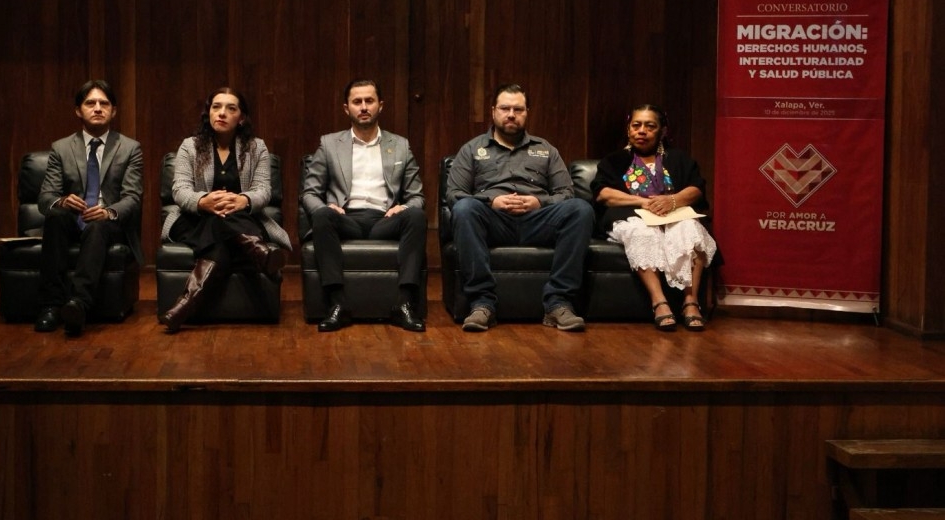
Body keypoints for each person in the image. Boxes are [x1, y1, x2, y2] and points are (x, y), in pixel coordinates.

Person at [446, 83, 594, 332]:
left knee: (580, 209)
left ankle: (558, 303)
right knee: (464, 208)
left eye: (518, 109)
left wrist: (540, 202)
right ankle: (482, 303)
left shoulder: (545, 149)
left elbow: (566, 193)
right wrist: (491, 201)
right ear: (493, 111)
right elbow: (454, 194)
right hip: (494, 222)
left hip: (538, 221)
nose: (511, 114)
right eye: (505, 108)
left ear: (527, 113)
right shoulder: (472, 149)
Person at [159, 87, 291, 333]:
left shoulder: (256, 147)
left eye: (231, 108)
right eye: (216, 107)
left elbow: (264, 190)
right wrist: (203, 202)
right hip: (194, 219)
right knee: (219, 223)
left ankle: (183, 306)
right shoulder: (190, 146)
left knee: (221, 235)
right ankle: (259, 253)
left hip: (241, 217)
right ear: (208, 113)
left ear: (241, 118)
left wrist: (243, 201)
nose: (222, 113)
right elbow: (179, 190)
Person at [300, 79, 428, 332]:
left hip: (384, 219)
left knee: (416, 216)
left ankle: (404, 304)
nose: (364, 107)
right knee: (322, 215)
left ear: (381, 105)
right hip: (345, 218)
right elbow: (310, 193)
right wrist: (326, 208)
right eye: (357, 102)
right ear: (346, 108)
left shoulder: (400, 145)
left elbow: (417, 196)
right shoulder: (329, 144)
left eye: (369, 101)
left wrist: (403, 208)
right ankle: (338, 305)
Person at [591, 103, 717, 331]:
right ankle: (659, 302)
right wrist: (642, 202)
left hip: (674, 214)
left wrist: (672, 200)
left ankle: (690, 302)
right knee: (642, 231)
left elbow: (697, 188)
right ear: (628, 129)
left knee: (690, 229)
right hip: (631, 215)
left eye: (650, 126)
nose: (642, 131)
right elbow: (603, 193)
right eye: (636, 125)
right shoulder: (614, 160)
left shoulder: (678, 158)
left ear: (662, 131)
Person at [35, 79, 144, 337]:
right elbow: (45, 197)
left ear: (113, 111)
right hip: (72, 220)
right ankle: (51, 306)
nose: (97, 108)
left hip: (108, 224)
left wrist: (108, 212)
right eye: (90, 103)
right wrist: (63, 201)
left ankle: (78, 304)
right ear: (78, 110)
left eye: (104, 103)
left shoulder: (130, 148)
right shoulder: (61, 148)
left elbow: (132, 197)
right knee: (55, 217)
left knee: (98, 226)